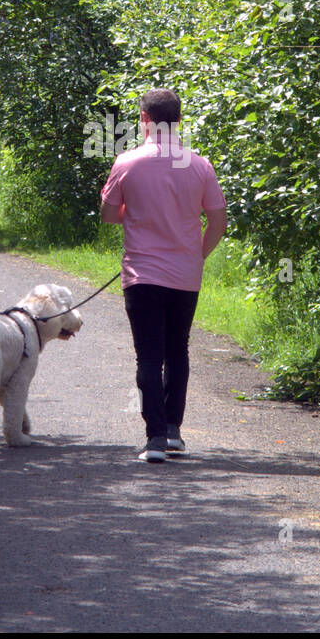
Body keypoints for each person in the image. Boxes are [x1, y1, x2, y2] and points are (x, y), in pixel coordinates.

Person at [100, 88, 227, 462]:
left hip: (142, 275)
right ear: (179, 120)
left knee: (148, 356)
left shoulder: (127, 162)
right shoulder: (200, 165)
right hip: (185, 275)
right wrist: (196, 255)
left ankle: (154, 438)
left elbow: (109, 215)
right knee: (178, 350)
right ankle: (173, 432)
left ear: (144, 120)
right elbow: (218, 222)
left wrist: (138, 215)